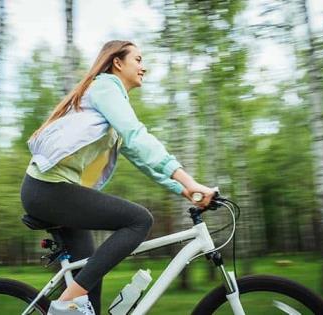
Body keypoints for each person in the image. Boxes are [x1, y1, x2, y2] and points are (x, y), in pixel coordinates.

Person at [20, 40, 215, 315]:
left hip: (54, 192)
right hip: (48, 190)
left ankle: (74, 304)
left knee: (90, 280)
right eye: (138, 59)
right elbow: (137, 137)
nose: (143, 67)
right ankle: (64, 305)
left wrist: (182, 189)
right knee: (139, 220)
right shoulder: (105, 86)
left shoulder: (110, 106)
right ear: (118, 63)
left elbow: (142, 160)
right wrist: (189, 180)